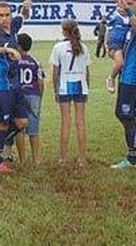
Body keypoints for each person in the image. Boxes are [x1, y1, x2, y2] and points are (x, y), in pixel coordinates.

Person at [0, 0, 32, 173]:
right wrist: (5, 50)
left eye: (7, 15)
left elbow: (24, 16)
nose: (4, 18)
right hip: (0, 84)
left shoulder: (14, 26)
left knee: (22, 122)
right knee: (2, 124)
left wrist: (26, 7)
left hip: (15, 84)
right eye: (0, 15)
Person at [110, 0, 136, 168]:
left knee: (125, 113)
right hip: (127, 76)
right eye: (125, 3)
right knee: (123, 113)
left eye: (130, 4)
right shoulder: (128, 22)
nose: (126, 7)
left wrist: (129, 12)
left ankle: (133, 157)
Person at [50, 20, 90, 167]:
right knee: (80, 123)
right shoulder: (84, 47)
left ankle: (64, 158)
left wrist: (55, 90)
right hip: (81, 86)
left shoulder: (58, 47)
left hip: (64, 87)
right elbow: (87, 71)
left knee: (65, 122)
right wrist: (87, 88)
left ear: (64, 31)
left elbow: (55, 73)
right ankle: (81, 159)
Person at [17, 33, 45, 165]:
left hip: (19, 95)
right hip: (33, 94)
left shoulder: (14, 59)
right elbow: (40, 81)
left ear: (18, 46)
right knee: (34, 129)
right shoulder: (35, 60)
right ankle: (36, 160)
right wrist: (40, 96)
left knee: (19, 129)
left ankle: (23, 160)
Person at [105, 11, 131, 94]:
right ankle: (111, 78)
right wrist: (106, 45)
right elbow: (108, 31)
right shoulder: (114, 18)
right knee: (120, 63)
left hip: (127, 44)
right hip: (115, 43)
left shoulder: (133, 18)